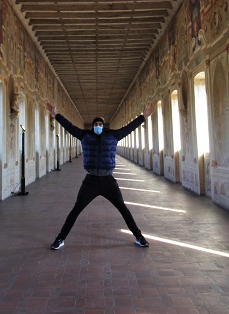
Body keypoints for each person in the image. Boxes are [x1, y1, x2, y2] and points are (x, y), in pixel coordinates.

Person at [46, 102, 156, 250]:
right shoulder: (85, 136)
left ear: (103, 126)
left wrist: (143, 117)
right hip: (90, 181)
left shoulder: (113, 136)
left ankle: (139, 236)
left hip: (108, 181)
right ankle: (60, 239)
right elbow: (69, 127)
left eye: (100, 124)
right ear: (93, 126)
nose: (98, 126)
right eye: (95, 124)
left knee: (123, 209)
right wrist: (56, 115)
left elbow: (129, 128)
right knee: (76, 209)